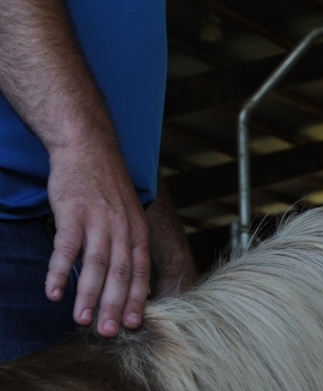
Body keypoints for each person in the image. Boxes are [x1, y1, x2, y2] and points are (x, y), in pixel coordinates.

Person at [0, 0, 194, 362]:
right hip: (12, 230)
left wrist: (172, 259)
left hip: (103, 247)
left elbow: (114, 132)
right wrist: (76, 144)